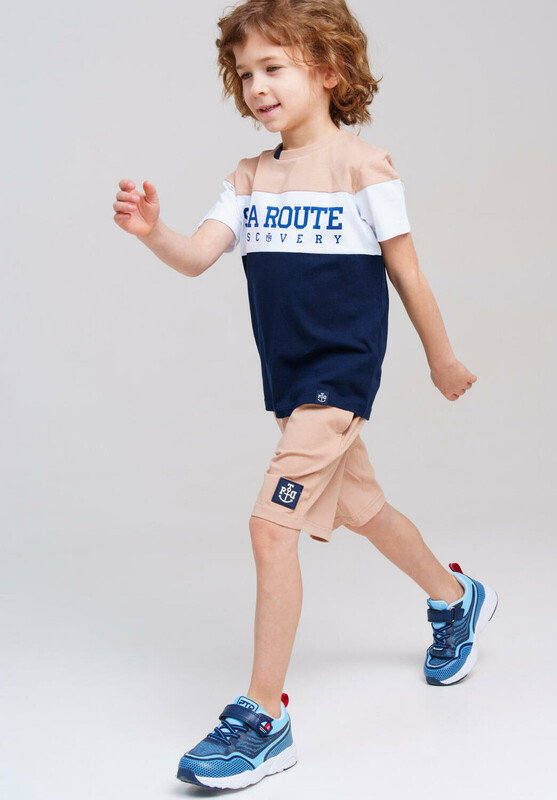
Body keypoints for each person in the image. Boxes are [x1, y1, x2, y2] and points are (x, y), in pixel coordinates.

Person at [113, 0, 498, 791]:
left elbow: (408, 272)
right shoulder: (250, 178)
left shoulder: (364, 166)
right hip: (291, 385)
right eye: (245, 73)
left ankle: (263, 718)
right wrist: (154, 231)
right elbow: (198, 255)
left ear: (328, 70)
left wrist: (443, 358)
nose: (257, 86)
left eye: (274, 67)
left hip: (340, 374)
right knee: (363, 509)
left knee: (270, 527)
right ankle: (456, 597)